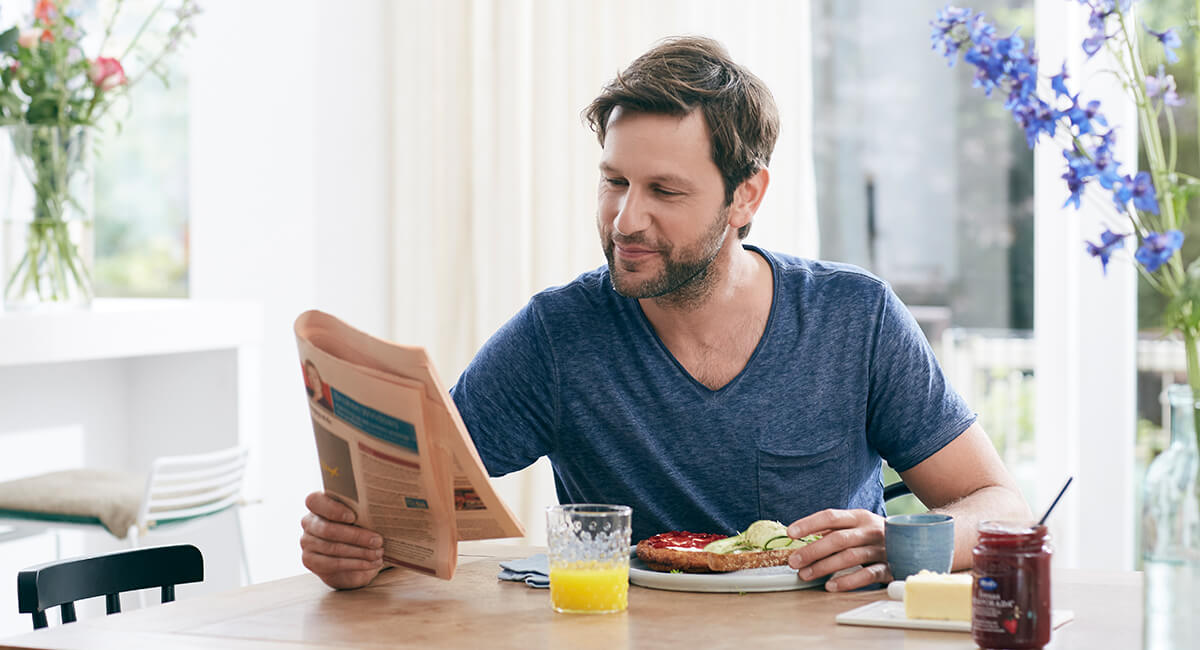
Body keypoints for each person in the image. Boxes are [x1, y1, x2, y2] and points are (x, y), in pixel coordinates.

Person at [301, 35, 1031, 592]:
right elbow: (412, 516)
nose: (625, 220)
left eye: (665, 191)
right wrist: (353, 544)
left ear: (746, 196)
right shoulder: (557, 336)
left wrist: (897, 542)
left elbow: (1002, 504)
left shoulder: (853, 317)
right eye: (614, 181)